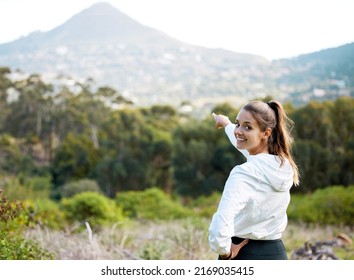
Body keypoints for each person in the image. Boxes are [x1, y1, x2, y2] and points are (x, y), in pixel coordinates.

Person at [208, 100, 299, 260]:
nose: (239, 131)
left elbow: (221, 224)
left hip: (243, 254)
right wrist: (227, 124)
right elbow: (246, 146)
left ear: (266, 133)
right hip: (276, 254)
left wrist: (225, 251)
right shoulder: (283, 165)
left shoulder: (244, 174)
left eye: (247, 127)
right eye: (238, 124)